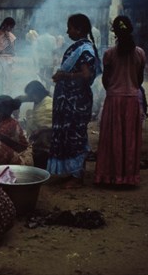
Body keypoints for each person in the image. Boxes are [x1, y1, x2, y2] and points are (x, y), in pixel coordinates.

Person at [48, 13, 99, 188]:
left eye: (69, 27)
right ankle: (71, 171)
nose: (67, 31)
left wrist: (64, 76)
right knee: (68, 135)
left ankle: (78, 176)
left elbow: (86, 75)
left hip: (76, 101)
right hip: (69, 101)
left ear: (78, 30)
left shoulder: (84, 49)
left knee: (76, 135)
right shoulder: (80, 47)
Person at [94, 16, 146, 186]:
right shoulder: (140, 53)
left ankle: (109, 176)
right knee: (129, 139)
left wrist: (114, 88)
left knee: (112, 138)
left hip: (114, 101)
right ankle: (129, 177)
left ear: (114, 32)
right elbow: (139, 80)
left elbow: (106, 80)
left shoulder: (109, 54)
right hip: (131, 101)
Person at [18, 80, 53, 169]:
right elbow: (23, 98)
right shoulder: (39, 99)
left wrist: (40, 130)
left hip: (49, 137)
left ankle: (43, 166)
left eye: (31, 95)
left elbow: (53, 125)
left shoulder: (48, 105)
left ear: (37, 93)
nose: (30, 98)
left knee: (42, 141)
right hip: (39, 135)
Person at [0, 17, 17, 95]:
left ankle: (5, 96)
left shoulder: (11, 36)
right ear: (5, 25)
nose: (11, 29)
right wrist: (2, 51)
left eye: (12, 27)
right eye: (10, 27)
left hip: (8, 60)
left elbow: (13, 51)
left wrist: (8, 38)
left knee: (7, 80)